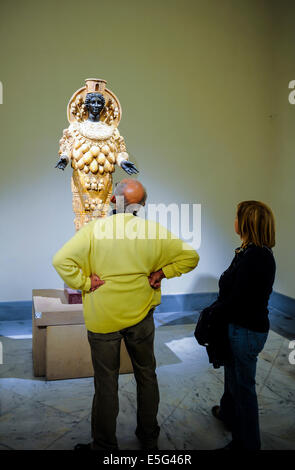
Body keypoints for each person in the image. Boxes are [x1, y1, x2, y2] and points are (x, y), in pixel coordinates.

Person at [52, 179, 199, 451]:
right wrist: (161, 273)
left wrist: (85, 283)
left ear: (112, 201)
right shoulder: (154, 231)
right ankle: (148, 435)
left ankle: (104, 445)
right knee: (146, 374)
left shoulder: (95, 230)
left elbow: (61, 261)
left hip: (103, 318)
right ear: (142, 206)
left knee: (106, 382)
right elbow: (190, 257)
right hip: (141, 316)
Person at [208, 200, 276, 450]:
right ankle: (228, 414)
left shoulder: (256, 256)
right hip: (242, 328)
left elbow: (238, 299)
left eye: (237, 216)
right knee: (232, 379)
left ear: (246, 222)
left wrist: (213, 313)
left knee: (243, 388)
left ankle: (246, 444)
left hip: (245, 331)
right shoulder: (250, 252)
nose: (233, 221)